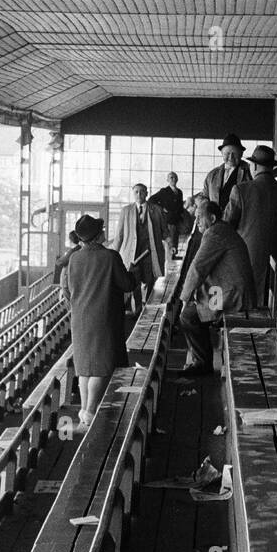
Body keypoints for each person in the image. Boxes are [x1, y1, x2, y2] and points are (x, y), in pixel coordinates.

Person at [61, 215, 138, 430]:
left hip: (80, 318)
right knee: (101, 367)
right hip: (103, 318)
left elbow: (69, 288)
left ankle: (85, 410)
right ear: (98, 236)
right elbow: (126, 284)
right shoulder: (110, 257)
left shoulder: (74, 259)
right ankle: (91, 411)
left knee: (85, 367)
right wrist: (133, 272)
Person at [177, 200, 255, 373]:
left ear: (212, 218)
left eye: (200, 217)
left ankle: (202, 364)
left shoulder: (215, 233)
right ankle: (201, 360)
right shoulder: (220, 229)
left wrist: (184, 298)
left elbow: (198, 268)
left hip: (233, 296)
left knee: (188, 316)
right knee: (195, 309)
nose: (196, 221)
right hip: (229, 290)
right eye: (195, 216)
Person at [225, 144, 277, 307]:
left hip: (247, 260)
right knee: (275, 308)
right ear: (271, 167)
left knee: (248, 308)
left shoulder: (240, 190)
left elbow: (226, 226)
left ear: (253, 166)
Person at [110, 183, 166, 312]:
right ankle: (138, 310)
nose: (139, 195)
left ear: (147, 193)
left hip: (151, 254)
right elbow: (119, 235)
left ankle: (149, 309)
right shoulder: (126, 211)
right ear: (133, 193)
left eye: (142, 192)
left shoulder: (156, 210)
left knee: (150, 280)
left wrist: (171, 246)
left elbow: (165, 232)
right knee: (133, 282)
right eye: (136, 192)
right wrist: (113, 255)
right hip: (132, 255)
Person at [204, 134, 253, 213]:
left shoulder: (249, 172)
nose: (231, 157)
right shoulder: (212, 175)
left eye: (234, 153)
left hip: (239, 220)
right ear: (222, 153)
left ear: (241, 154)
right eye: (227, 153)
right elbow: (204, 195)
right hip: (216, 222)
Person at [148, 172, 185, 258]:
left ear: (177, 179)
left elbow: (180, 205)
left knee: (175, 237)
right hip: (168, 219)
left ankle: (173, 255)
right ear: (167, 180)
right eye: (171, 177)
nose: (173, 179)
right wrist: (162, 209)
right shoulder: (164, 191)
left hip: (177, 219)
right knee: (170, 237)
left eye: (175, 177)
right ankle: (169, 256)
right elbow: (151, 200)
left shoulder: (179, 192)